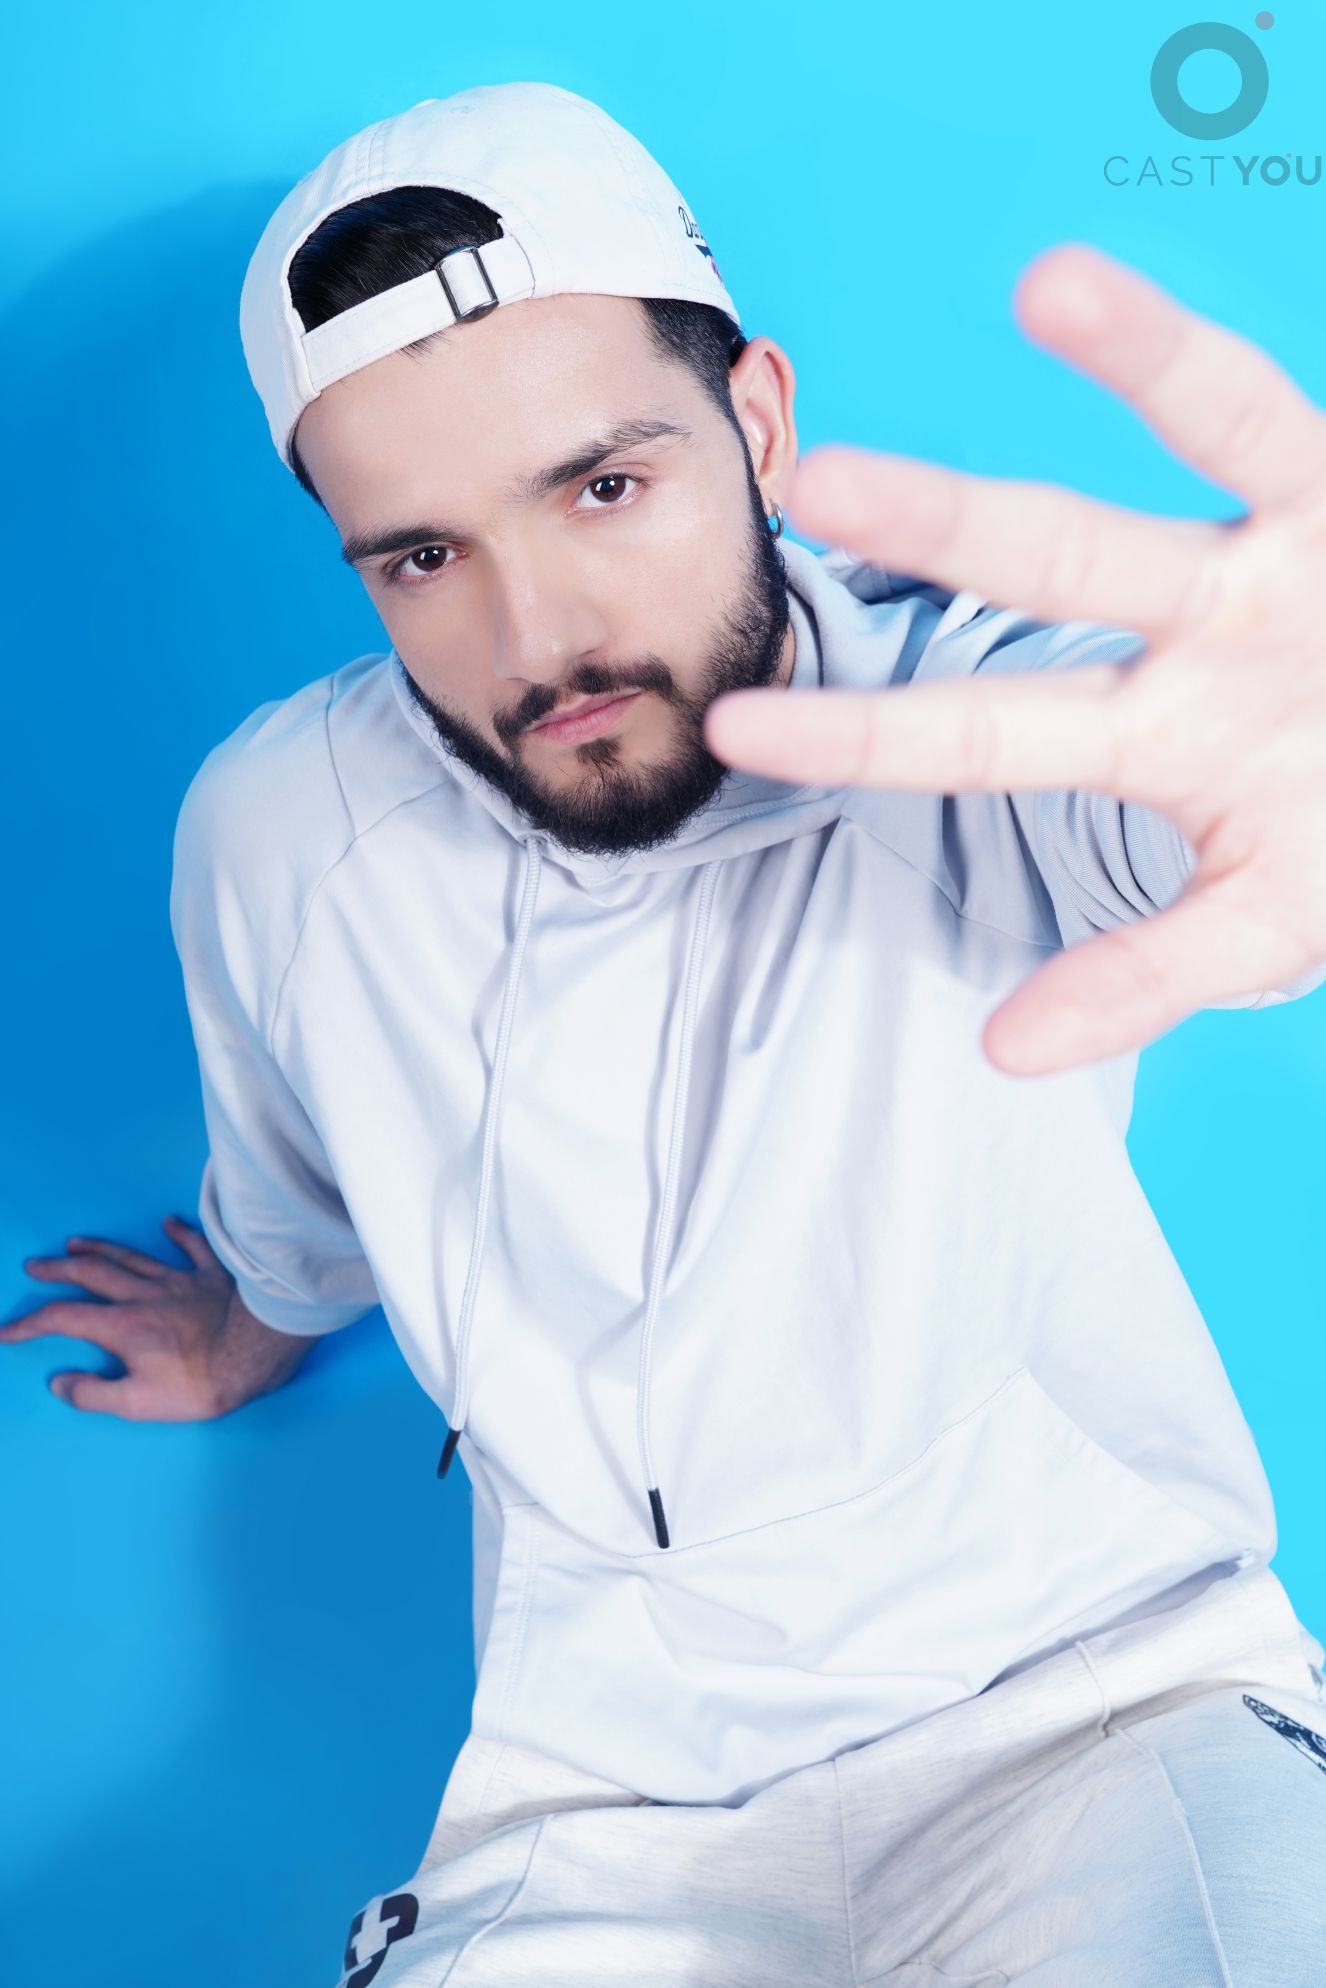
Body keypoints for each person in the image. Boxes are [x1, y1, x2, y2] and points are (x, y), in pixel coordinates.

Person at [9, 79, 1326, 1987]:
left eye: (601, 487)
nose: (538, 637)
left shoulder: (984, 726)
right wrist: (246, 1323)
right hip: (598, 1810)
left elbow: (1195, 797)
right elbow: (307, 1183)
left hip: (1106, 1710)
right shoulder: (282, 835)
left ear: (756, 424)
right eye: (423, 556)